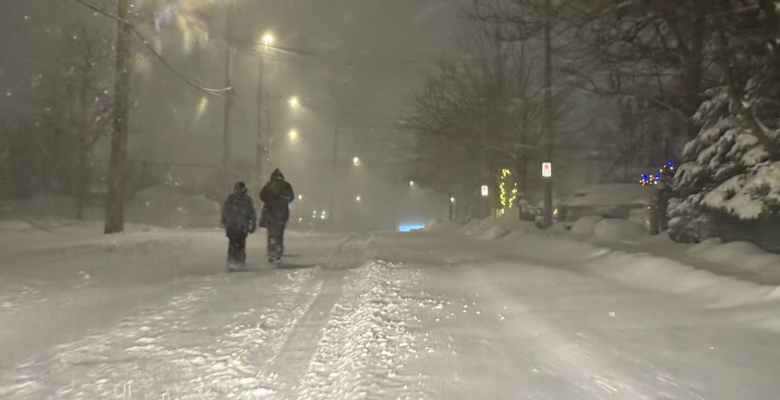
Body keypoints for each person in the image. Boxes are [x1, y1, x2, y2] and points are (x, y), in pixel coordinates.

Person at [259, 169, 294, 264]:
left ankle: (271, 251)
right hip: (281, 213)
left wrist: (270, 199)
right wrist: (282, 199)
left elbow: (261, 196)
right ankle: (278, 252)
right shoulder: (286, 186)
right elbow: (291, 198)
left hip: (270, 212)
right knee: (279, 233)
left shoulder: (268, 186)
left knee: (270, 233)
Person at [221, 181, 257, 271]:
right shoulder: (247, 200)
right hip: (242, 226)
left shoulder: (231, 199)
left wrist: (224, 222)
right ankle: (240, 261)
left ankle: (231, 262)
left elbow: (225, 211)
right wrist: (253, 225)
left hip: (231, 225)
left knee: (232, 243)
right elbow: (252, 213)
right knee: (241, 244)